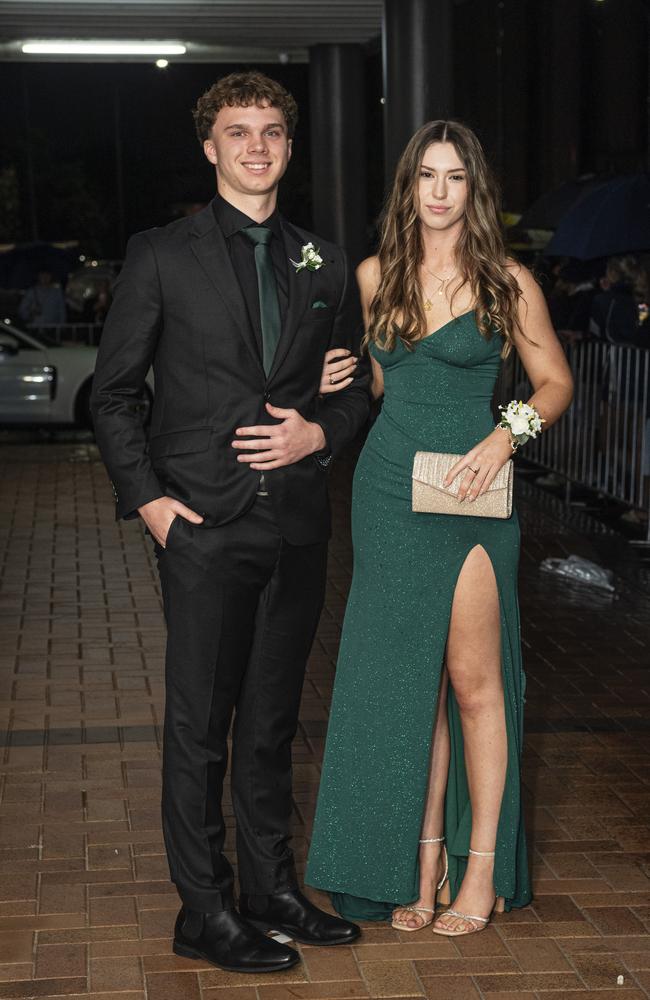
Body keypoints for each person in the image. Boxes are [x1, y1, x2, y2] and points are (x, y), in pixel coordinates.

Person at [91, 70, 369, 974]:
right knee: (199, 726)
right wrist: (154, 507)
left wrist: (315, 436)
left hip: (294, 526)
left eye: (273, 132)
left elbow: (353, 392)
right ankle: (202, 910)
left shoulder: (326, 264)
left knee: (273, 721)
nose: (258, 145)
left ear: (290, 147)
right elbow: (115, 396)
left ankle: (270, 888)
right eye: (239, 131)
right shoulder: (161, 254)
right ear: (211, 147)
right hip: (202, 528)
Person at [306, 120, 573, 935]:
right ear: (408, 186)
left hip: (472, 495)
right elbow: (382, 387)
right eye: (427, 175)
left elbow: (555, 381)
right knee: (407, 687)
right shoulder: (373, 276)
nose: (440, 191)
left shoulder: (508, 283)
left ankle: (479, 871)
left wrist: (503, 436)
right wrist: (324, 379)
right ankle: (416, 869)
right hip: (386, 491)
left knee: (472, 683)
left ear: (474, 190)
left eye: (455, 177)